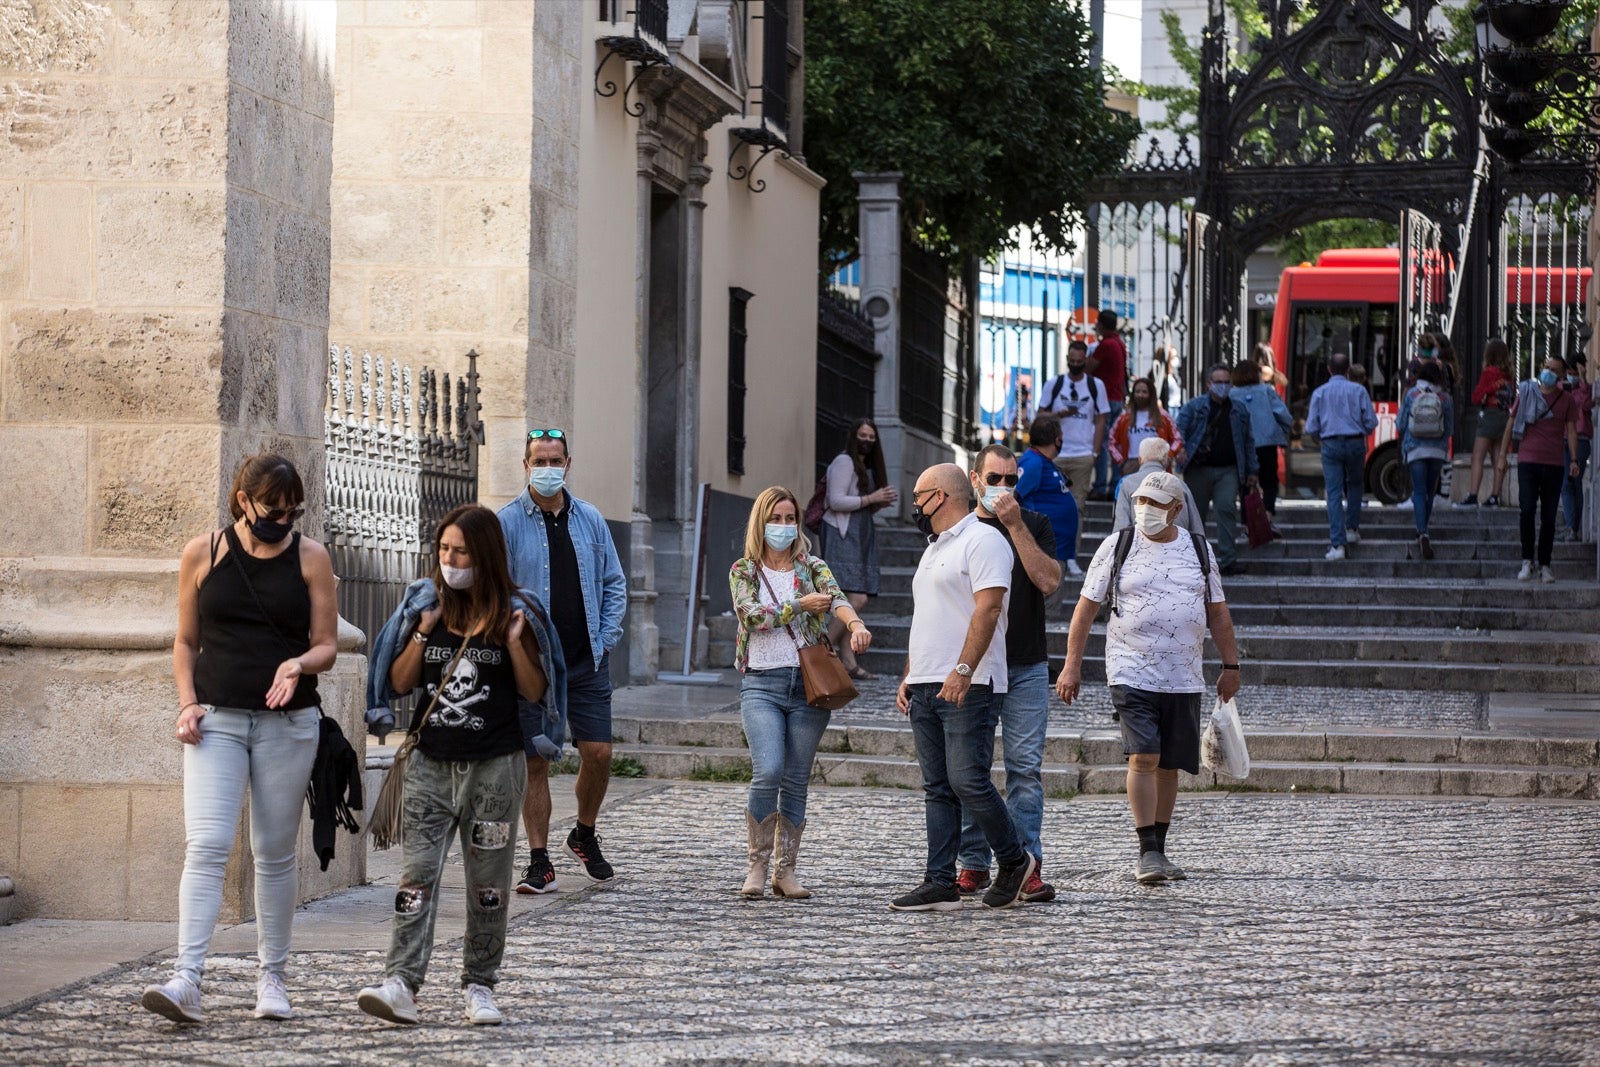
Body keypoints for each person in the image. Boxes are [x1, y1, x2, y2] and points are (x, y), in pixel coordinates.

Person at [141, 454, 338, 1026]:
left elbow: (327, 642)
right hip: (217, 720)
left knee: (273, 853)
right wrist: (186, 703)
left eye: (291, 510)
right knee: (204, 845)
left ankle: (272, 977)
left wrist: (298, 664)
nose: (281, 519)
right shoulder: (203, 552)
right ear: (242, 500)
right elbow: (185, 642)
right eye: (271, 509)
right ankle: (187, 979)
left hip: (288, 724)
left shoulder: (311, 557)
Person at [357, 505, 553, 1027]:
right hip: (430, 769)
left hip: (494, 770)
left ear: (483, 554)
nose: (449, 559)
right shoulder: (425, 606)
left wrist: (512, 644)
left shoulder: (517, 612)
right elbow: (399, 684)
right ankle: (400, 981)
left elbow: (535, 691)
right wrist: (421, 634)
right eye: (444, 549)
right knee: (415, 877)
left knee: (488, 885)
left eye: (460, 550)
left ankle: (480, 984)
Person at [1055, 471, 1240, 885]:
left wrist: (1231, 666)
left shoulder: (1198, 549)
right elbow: (1084, 609)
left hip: (1183, 674)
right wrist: (1072, 664)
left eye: (1156, 504)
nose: (1146, 510)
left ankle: (1159, 847)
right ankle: (1147, 852)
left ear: (1177, 509)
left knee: (1169, 765)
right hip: (1130, 667)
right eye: (1141, 501)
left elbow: (1218, 612)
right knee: (1144, 755)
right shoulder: (1116, 546)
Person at [889, 463, 1035, 911]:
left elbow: (989, 610)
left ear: (943, 497)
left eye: (919, 495)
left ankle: (1014, 861)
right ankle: (940, 880)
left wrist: (964, 669)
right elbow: (928, 617)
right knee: (938, 785)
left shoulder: (984, 540)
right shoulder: (932, 548)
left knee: (968, 779)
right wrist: (909, 673)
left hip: (968, 682)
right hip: (926, 681)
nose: (914, 504)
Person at [498, 428, 628, 894]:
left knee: (598, 753)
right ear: (526, 464)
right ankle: (538, 860)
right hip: (533, 666)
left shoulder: (590, 519)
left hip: (586, 660)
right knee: (536, 762)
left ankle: (584, 833)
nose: (548, 469)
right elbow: (495, 592)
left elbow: (614, 582)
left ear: (568, 464)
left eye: (555, 461)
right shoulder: (507, 522)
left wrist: (606, 637)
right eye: (539, 461)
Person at [729, 487, 871, 899]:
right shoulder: (744, 570)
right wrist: (798, 605)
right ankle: (756, 865)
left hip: (808, 686)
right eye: (776, 519)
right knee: (768, 769)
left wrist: (856, 623)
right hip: (761, 684)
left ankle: (785, 871)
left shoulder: (812, 566)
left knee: (795, 779)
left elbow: (836, 598)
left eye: (791, 519)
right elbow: (752, 616)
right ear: (762, 523)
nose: (784, 527)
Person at [955, 446, 1060, 903]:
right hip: (973, 667)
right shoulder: (958, 531)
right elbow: (938, 607)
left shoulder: (1034, 524)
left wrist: (1015, 523)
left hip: (1024, 664)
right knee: (968, 770)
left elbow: (1050, 581)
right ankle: (973, 864)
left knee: (1024, 769)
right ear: (975, 479)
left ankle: (1024, 865)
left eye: (1011, 479)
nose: (1003, 487)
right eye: (994, 478)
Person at [819, 418, 896, 678]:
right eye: (863, 435)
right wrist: (872, 498)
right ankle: (820, 651)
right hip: (843, 535)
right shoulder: (844, 462)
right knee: (856, 598)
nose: (867, 441)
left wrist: (877, 504)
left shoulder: (866, 465)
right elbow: (836, 500)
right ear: (853, 436)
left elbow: (858, 503)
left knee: (848, 598)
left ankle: (848, 664)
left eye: (871, 437)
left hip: (859, 533)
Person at [1499, 357, 1581, 582]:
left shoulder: (1567, 400)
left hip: (1554, 464)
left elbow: (1572, 431)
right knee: (1526, 510)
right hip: (1528, 461)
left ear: (1561, 377)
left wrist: (1574, 459)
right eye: (1546, 367)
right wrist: (1502, 457)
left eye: (1554, 370)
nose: (1548, 372)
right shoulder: (1526, 392)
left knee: (1549, 517)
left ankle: (1545, 564)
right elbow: (1510, 422)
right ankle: (1527, 560)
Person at [1174, 363, 1258, 577]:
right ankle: (1192, 558)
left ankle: (1228, 559)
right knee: (1195, 516)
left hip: (1228, 470)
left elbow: (1248, 442)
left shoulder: (1239, 409)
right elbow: (1178, 432)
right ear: (1209, 383)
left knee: (1226, 509)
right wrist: (1180, 449)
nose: (1223, 386)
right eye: (1218, 382)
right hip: (1198, 469)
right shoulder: (1194, 407)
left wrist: (1252, 470)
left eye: (1226, 382)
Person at [1037, 339, 1109, 566]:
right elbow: (1040, 416)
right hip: (1055, 455)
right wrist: (1059, 414)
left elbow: (1101, 420)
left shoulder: (1096, 385)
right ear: (1067, 359)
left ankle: (1071, 556)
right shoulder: (1054, 384)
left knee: (1076, 508)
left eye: (1080, 361)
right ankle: (1049, 553)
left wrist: (1095, 453)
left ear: (1086, 360)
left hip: (1082, 455)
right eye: (1072, 360)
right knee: (1051, 507)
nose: (1075, 364)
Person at [1304, 352, 1377, 561]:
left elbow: (1311, 426)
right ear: (1348, 370)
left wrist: (1322, 438)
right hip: (1355, 442)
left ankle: (1337, 543)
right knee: (1355, 485)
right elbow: (1371, 422)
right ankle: (1352, 529)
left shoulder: (1320, 393)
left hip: (1330, 443)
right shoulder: (1359, 390)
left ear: (1329, 369)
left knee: (1334, 492)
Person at [1396, 361, 1454, 560]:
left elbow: (1401, 424)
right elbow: (1450, 429)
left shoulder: (1412, 395)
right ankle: (1424, 530)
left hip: (1415, 450)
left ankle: (1422, 532)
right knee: (1429, 492)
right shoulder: (1445, 398)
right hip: (1437, 452)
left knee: (1419, 492)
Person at [1016, 415, 1081, 579]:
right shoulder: (1033, 463)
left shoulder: (1043, 461)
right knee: (1049, 604)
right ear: (1057, 440)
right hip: (1045, 553)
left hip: (1055, 551)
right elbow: (1014, 496)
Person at [1230, 359, 1294, 518]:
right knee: (1269, 480)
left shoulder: (1231, 394)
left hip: (1242, 445)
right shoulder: (1267, 390)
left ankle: (1247, 523)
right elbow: (1283, 414)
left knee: (1245, 483)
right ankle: (1268, 514)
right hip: (1266, 442)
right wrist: (1284, 430)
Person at [1459, 337, 1515, 508]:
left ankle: (1473, 495)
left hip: (1489, 415)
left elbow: (1476, 397)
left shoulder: (1489, 372)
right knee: (1498, 456)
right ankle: (1494, 496)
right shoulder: (1509, 375)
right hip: (1504, 417)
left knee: (1478, 456)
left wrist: (1487, 390)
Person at [1114, 438, 1207, 542]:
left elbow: (1120, 528)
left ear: (1140, 460)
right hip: (1179, 549)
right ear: (1166, 461)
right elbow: (1197, 529)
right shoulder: (1181, 485)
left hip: (1140, 551)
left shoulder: (1126, 483)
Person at [1088, 310, 1129, 501]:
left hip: (1105, 399)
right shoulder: (1119, 344)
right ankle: (1114, 485)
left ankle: (1101, 485)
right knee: (1114, 443)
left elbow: (1089, 367)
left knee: (1102, 443)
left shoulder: (1106, 344)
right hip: (1116, 397)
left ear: (1101, 325)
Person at [1107, 377, 1184, 476]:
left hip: (1157, 465)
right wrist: (1121, 461)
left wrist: (1169, 455)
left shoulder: (1163, 416)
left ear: (1151, 394)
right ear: (1133, 394)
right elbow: (1111, 441)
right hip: (1132, 464)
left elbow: (1177, 439)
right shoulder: (1124, 417)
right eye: (1137, 391)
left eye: (1144, 392)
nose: (1140, 395)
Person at [1558, 362, 1592, 540]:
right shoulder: (1561, 388)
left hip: (1581, 440)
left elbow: (1587, 406)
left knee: (1575, 481)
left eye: (1575, 373)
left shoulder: (1585, 389)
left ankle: (1574, 526)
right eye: (1569, 372)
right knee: (1566, 484)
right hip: (1563, 439)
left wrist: (1584, 380)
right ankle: (1571, 526)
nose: (1572, 376)